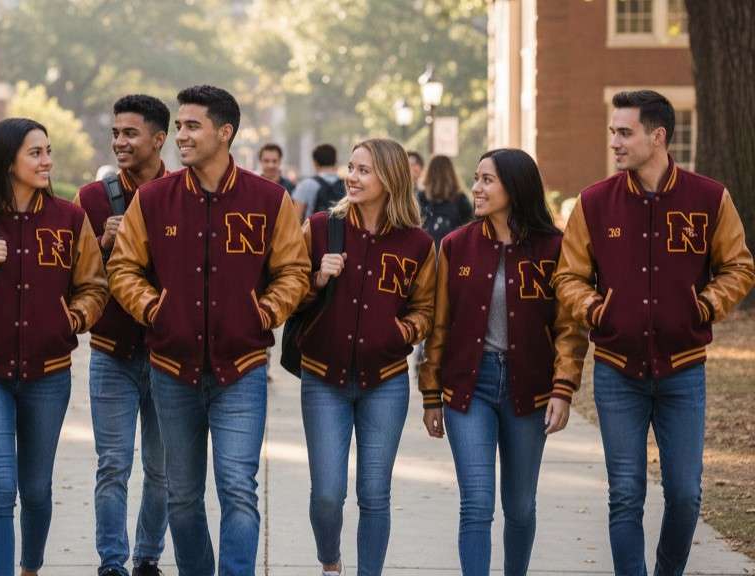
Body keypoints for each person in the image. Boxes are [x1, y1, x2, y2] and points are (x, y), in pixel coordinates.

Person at [107, 85, 310, 576]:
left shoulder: (270, 200)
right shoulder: (155, 200)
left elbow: (294, 271)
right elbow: (123, 268)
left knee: (239, 489)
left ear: (226, 132)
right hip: (171, 371)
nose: (181, 134)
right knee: (182, 498)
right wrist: (154, 309)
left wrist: (263, 314)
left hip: (240, 371)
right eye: (178, 125)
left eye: (192, 125)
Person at [553, 90, 755, 576]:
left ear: (657, 136)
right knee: (625, 495)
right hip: (617, 373)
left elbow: (740, 268)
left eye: (625, 133)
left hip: (683, 372)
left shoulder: (709, 198)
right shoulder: (594, 203)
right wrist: (596, 310)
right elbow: (568, 277)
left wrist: (704, 305)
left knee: (685, 495)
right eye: (613, 133)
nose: (615, 143)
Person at [0, 117, 108, 576]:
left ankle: (30, 568)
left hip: (49, 375)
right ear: (7, 161)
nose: (47, 160)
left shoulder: (70, 219)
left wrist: (74, 317)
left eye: (48, 151)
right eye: (36, 152)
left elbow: (94, 286)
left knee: (36, 490)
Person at [419, 148, 587, 576]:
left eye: (487, 180)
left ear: (515, 187)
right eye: (476, 178)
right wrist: (431, 393)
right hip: (468, 387)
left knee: (520, 508)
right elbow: (440, 326)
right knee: (476, 503)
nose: (476, 188)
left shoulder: (554, 247)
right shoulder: (456, 246)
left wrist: (563, 388)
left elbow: (569, 326)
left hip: (528, 388)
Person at [299, 138, 436, 576]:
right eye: (351, 168)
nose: (352, 177)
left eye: (364, 170)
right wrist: (318, 278)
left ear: (390, 179)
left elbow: (427, 309)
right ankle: (330, 562)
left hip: (386, 382)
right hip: (323, 378)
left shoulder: (417, 244)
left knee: (375, 493)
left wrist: (402, 331)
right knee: (327, 493)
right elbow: (287, 290)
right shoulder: (322, 228)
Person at [76, 94, 171, 576]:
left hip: (168, 358)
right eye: (115, 133)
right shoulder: (92, 199)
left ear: (159, 139)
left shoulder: (184, 194)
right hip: (111, 353)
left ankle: (147, 557)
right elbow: (71, 274)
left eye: (130, 133)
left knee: (161, 470)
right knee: (112, 465)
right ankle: (111, 563)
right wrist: (101, 242)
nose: (119, 143)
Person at [417, 155, 473, 246]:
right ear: (451, 172)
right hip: (453, 250)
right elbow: (470, 226)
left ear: (430, 172)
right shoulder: (460, 198)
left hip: (426, 251)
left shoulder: (421, 197)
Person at [292, 144, 343, 221]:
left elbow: (296, 218)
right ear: (335, 161)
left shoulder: (306, 185)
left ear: (315, 162)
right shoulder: (346, 184)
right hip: (341, 231)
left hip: (314, 231)